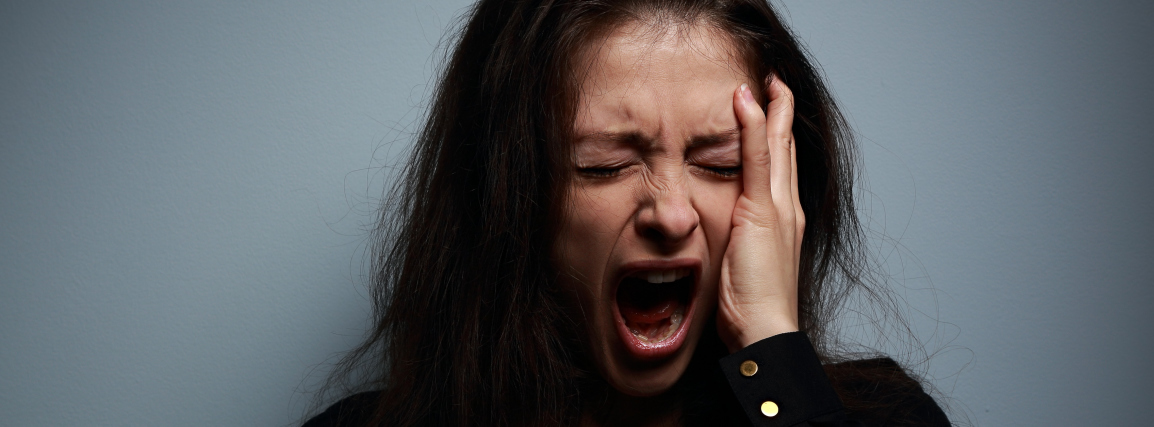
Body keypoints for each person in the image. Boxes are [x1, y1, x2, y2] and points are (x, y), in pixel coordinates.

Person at [306, 0, 949, 425]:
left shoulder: (891, 417)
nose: (670, 216)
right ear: (507, 196)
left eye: (723, 163)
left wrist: (774, 357)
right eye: (604, 165)